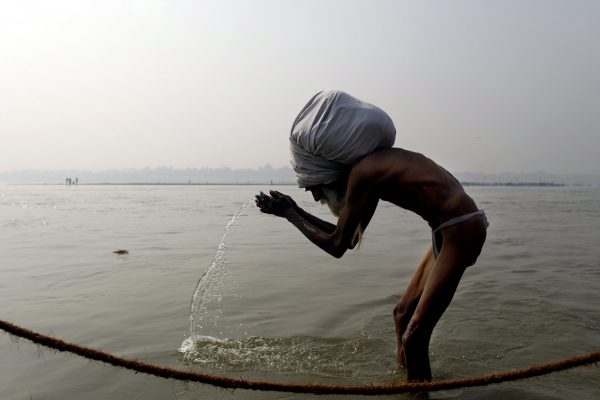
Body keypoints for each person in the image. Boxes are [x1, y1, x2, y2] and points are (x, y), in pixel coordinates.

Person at [255, 90, 488, 382]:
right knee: (402, 316)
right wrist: (293, 210)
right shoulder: (370, 171)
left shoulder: (366, 172)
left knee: (414, 337)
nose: (316, 196)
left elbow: (337, 246)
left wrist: (291, 213)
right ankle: (410, 384)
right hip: (448, 229)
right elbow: (348, 238)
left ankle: (419, 392)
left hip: (461, 228)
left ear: (327, 173)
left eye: (313, 187)